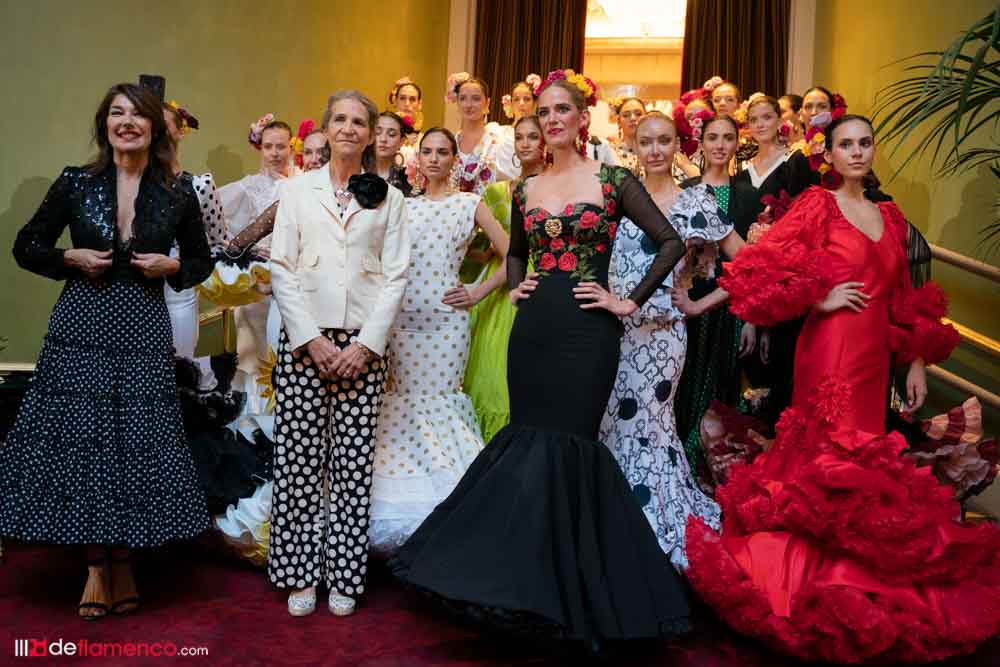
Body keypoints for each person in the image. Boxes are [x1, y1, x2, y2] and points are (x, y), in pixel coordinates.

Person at [684, 115, 1000, 664]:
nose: (856, 152)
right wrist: (819, 298)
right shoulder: (817, 205)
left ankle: (860, 582)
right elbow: (761, 265)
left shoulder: (891, 216)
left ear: (873, 151)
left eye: (864, 143)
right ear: (827, 155)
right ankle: (811, 584)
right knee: (825, 461)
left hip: (875, 360)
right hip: (828, 351)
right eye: (845, 145)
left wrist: (916, 362)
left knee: (865, 465)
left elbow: (904, 297)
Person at [391, 69, 690, 645]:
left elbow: (671, 241)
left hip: (589, 332)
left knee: (573, 447)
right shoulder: (525, 189)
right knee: (526, 442)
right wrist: (516, 287)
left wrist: (626, 300)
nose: (552, 120)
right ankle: (515, 586)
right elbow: (516, 254)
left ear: (582, 119)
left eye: (562, 110)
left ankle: (573, 593)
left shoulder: (613, 180)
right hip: (533, 331)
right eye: (545, 112)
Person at [1, 83, 213, 620]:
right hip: (81, 327)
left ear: (154, 127)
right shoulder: (76, 181)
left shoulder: (178, 190)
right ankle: (97, 565)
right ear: (105, 125)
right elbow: (26, 245)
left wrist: (173, 267)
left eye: (137, 114)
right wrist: (68, 258)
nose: (127, 122)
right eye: (117, 113)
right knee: (86, 442)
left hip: (142, 328)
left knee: (133, 442)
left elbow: (201, 260)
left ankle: (123, 558)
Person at [267, 90, 409, 618]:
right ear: (325, 130)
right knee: (298, 461)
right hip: (306, 341)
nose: (349, 128)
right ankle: (300, 574)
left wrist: (367, 345)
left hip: (364, 346)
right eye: (340, 120)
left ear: (371, 134)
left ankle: (345, 575)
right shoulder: (296, 190)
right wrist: (310, 339)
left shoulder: (390, 198)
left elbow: (396, 275)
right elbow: (281, 267)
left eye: (359, 122)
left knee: (352, 464)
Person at [369, 127, 509, 553]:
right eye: (427, 151)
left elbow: (513, 255)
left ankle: (451, 501)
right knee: (400, 401)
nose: (433, 158)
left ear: (454, 159)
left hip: (447, 326)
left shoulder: (469, 203)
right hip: (400, 322)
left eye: (442, 152)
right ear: (418, 159)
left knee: (439, 402)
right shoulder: (400, 204)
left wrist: (478, 292)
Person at [598, 112, 726, 569]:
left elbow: (752, 262)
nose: (654, 150)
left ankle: (651, 520)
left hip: (661, 341)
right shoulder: (616, 197)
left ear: (678, 146)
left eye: (664, 141)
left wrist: (699, 303)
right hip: (609, 334)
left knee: (649, 428)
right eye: (645, 141)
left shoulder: (696, 201)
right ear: (632, 146)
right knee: (608, 425)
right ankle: (605, 516)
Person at [671, 114, 758, 488]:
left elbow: (754, 262)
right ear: (701, 143)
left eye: (727, 138)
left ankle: (719, 472)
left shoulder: (748, 194)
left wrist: (752, 318)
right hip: (688, 298)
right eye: (713, 138)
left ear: (737, 143)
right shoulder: (684, 189)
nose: (720, 145)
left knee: (723, 383)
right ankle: (683, 462)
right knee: (686, 381)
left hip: (730, 301)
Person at [463, 115, 546, 441]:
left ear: (545, 142)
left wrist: (481, 289)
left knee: (513, 376)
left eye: (532, 137)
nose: (525, 143)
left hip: (532, 283)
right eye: (520, 137)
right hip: (493, 290)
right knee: (484, 372)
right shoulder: (496, 192)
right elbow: (481, 250)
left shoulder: (553, 190)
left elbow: (524, 252)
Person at [734, 96, 813, 424]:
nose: (760, 124)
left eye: (767, 117)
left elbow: (802, 218)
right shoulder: (741, 168)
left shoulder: (795, 161)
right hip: (744, 266)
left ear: (780, 120)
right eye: (754, 119)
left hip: (780, 271)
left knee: (775, 361)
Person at [220, 118, 297, 413]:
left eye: (281, 146)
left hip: (289, 274)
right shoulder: (249, 185)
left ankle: (280, 412)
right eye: (268, 147)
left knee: (282, 344)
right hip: (255, 273)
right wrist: (240, 248)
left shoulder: (301, 184)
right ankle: (252, 412)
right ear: (259, 148)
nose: (275, 153)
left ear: (292, 148)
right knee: (250, 345)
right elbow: (215, 211)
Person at [160, 96, 229, 391]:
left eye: (164, 126)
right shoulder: (128, 185)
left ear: (180, 131)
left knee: (180, 368)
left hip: (179, 290)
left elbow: (218, 240)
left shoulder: (199, 186)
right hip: (133, 289)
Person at [446, 72, 512, 194]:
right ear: (457, 103)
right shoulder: (449, 144)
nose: (469, 105)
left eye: (476, 99)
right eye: (463, 98)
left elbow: (510, 184)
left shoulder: (500, 141)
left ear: (487, 103)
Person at [373, 111, 416, 195]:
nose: (383, 139)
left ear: (401, 141)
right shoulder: (356, 172)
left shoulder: (409, 179)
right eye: (377, 133)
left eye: (391, 134)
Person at [610, 97, 646, 175]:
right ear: (619, 122)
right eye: (626, 115)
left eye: (638, 114)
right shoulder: (610, 152)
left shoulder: (655, 151)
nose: (633, 118)